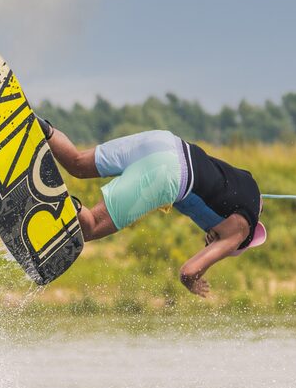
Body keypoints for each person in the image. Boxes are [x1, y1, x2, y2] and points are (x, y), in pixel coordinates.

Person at [37, 123, 267, 297]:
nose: (210, 239)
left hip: (165, 142)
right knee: (91, 227)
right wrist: (193, 282)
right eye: (216, 244)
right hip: (166, 174)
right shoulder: (239, 233)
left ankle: (41, 127)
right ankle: (57, 200)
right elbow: (188, 271)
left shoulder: (248, 185)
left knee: (77, 163)